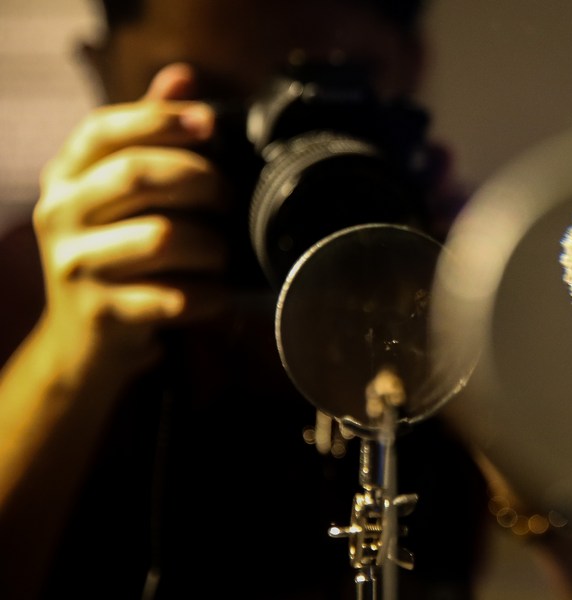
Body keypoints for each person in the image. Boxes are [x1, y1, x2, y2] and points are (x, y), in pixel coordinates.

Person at [0, 1, 488, 598]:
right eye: (211, 98)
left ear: (411, 67)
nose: (283, 154)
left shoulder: (466, 273)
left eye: (335, 87)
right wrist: (67, 354)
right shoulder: (20, 282)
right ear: (102, 70)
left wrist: (480, 337)